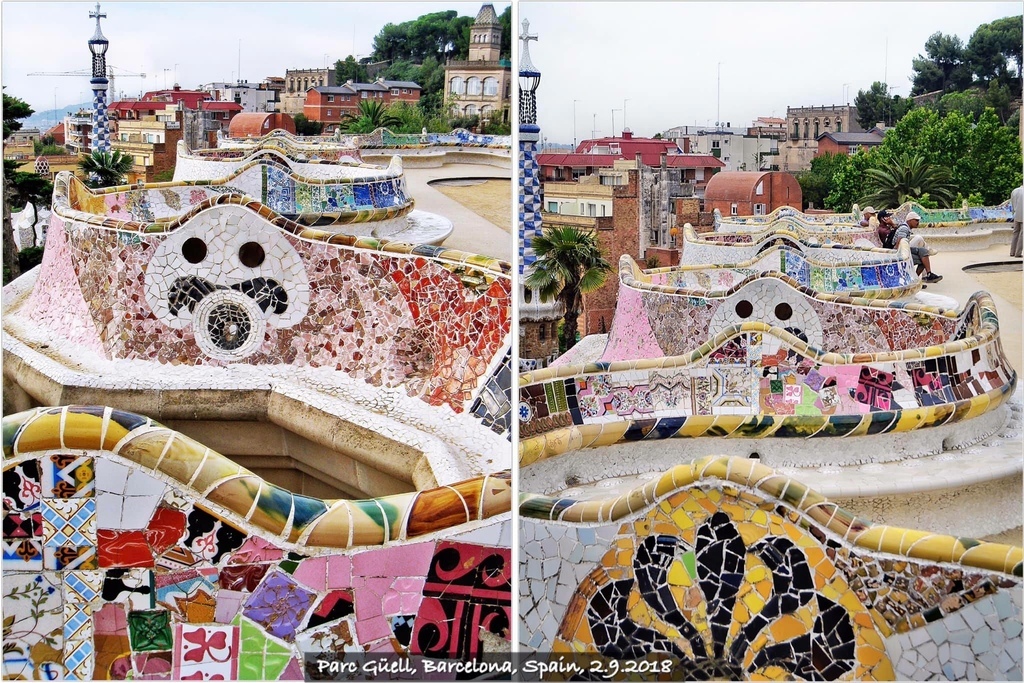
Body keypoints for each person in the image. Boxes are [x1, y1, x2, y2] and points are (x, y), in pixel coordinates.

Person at [877, 210, 942, 283]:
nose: (918, 222)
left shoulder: (896, 227)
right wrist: (898, 257)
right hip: (897, 253)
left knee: (924, 252)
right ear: (910, 220)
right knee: (923, 258)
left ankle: (929, 274)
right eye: (916, 220)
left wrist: (892, 224)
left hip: (904, 248)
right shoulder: (892, 229)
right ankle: (914, 280)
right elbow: (898, 244)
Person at [1010, 185, 1022, 258]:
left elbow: (1012, 204)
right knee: (1022, 234)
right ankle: (1018, 253)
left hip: (1016, 214)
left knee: (1015, 233)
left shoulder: (1014, 191)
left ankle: (1012, 252)